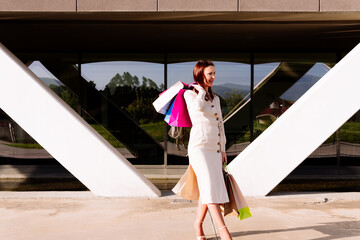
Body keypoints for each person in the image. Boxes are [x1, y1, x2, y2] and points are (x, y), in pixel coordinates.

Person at [184, 60, 232, 240]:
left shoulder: (216, 98)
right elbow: (195, 110)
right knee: (210, 189)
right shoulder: (190, 94)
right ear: (200, 74)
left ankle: (198, 224)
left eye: (214, 73)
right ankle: (223, 231)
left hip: (215, 149)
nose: (213, 77)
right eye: (210, 73)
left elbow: (220, 124)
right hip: (199, 148)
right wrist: (201, 92)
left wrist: (223, 149)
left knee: (208, 189)